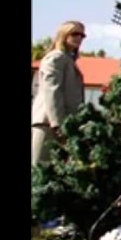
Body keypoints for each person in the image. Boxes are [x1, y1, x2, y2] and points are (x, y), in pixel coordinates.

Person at [32, 20, 87, 166]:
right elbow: (52, 91)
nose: (79, 38)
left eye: (82, 35)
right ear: (64, 35)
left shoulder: (68, 60)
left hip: (62, 125)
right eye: (75, 33)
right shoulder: (56, 58)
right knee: (41, 171)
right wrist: (58, 124)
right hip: (49, 123)